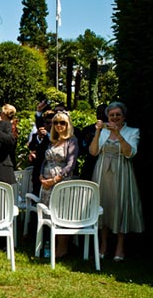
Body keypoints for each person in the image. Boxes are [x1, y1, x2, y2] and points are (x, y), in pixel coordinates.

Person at [89, 102, 143, 261]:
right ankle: (103, 245)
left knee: (120, 206)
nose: (114, 117)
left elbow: (130, 153)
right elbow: (93, 152)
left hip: (121, 172)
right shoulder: (103, 131)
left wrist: (118, 135)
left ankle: (120, 246)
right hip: (102, 172)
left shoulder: (132, 132)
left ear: (123, 116)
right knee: (103, 205)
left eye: (118, 114)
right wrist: (98, 132)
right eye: (111, 115)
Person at [38, 110, 79, 258]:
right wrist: (42, 176)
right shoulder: (52, 141)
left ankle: (62, 249)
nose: (59, 125)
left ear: (68, 125)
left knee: (62, 214)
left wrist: (55, 179)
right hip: (47, 184)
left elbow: (71, 164)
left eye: (62, 122)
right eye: (56, 122)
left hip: (63, 182)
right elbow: (45, 160)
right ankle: (51, 246)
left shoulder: (72, 141)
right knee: (50, 215)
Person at [27, 110, 55, 196]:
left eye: (52, 123)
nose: (50, 125)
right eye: (47, 123)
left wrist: (47, 136)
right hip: (39, 170)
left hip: (53, 170)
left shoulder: (59, 136)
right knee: (37, 192)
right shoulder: (37, 135)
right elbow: (31, 146)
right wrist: (39, 137)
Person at [80, 104, 108, 181]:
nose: (101, 115)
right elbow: (81, 150)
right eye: (98, 113)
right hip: (90, 166)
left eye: (103, 113)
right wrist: (85, 141)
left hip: (107, 166)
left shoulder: (114, 131)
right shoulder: (88, 130)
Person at [0, 103, 19, 169]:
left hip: (6, 162)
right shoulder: (14, 126)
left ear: (4, 114)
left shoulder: (9, 128)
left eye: (1, 112)